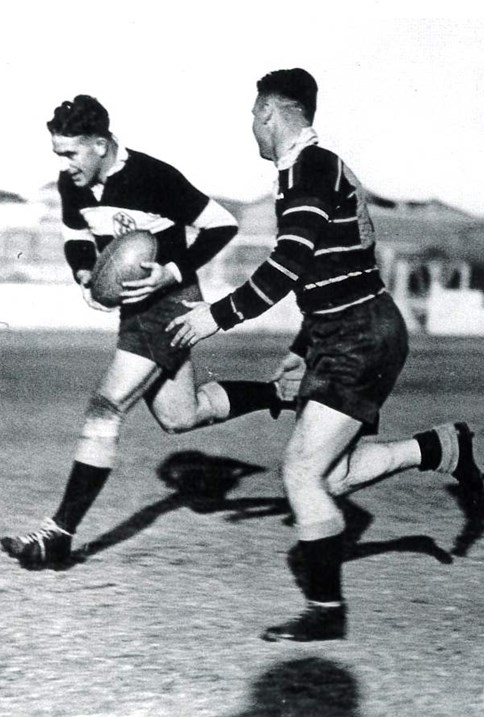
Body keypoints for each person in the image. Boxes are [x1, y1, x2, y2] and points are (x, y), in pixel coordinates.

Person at [167, 68, 484, 642]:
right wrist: (301, 346)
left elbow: (288, 265)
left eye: (253, 117)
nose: (252, 129)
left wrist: (214, 317)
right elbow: (328, 269)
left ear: (269, 113)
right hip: (346, 332)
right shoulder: (305, 172)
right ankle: (441, 447)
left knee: (301, 472)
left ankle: (325, 611)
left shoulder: (311, 169)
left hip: (359, 335)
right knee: (330, 476)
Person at [1, 95, 290, 568]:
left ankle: (58, 534)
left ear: (100, 144)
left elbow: (221, 224)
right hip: (135, 315)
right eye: (58, 154)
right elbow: (77, 236)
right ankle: (281, 394)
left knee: (106, 406)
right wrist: (84, 274)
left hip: (172, 305)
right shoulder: (73, 183)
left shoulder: (154, 176)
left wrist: (171, 272)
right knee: (181, 416)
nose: (64, 164)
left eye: (71, 152)